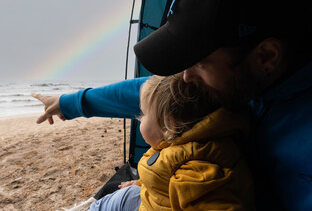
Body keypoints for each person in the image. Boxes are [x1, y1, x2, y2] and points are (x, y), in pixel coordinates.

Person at [32, 0, 312, 210]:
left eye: (200, 64)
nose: (186, 76)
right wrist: (70, 103)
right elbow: (154, 93)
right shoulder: (240, 85)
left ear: (266, 56)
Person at [87, 74, 254, 210]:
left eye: (143, 115)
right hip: (150, 199)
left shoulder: (196, 169)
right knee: (112, 197)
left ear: (169, 126)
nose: (139, 120)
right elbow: (164, 179)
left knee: (107, 200)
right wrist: (142, 182)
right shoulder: (177, 148)